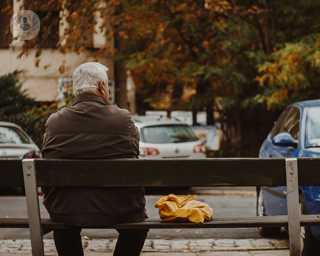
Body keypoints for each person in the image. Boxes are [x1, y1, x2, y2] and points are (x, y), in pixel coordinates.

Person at [41, 62, 148, 256]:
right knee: (137, 228)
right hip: (119, 207)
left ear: (76, 90)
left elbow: (47, 175)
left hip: (66, 209)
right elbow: (133, 154)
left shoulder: (54, 122)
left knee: (63, 226)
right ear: (101, 86)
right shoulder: (122, 119)